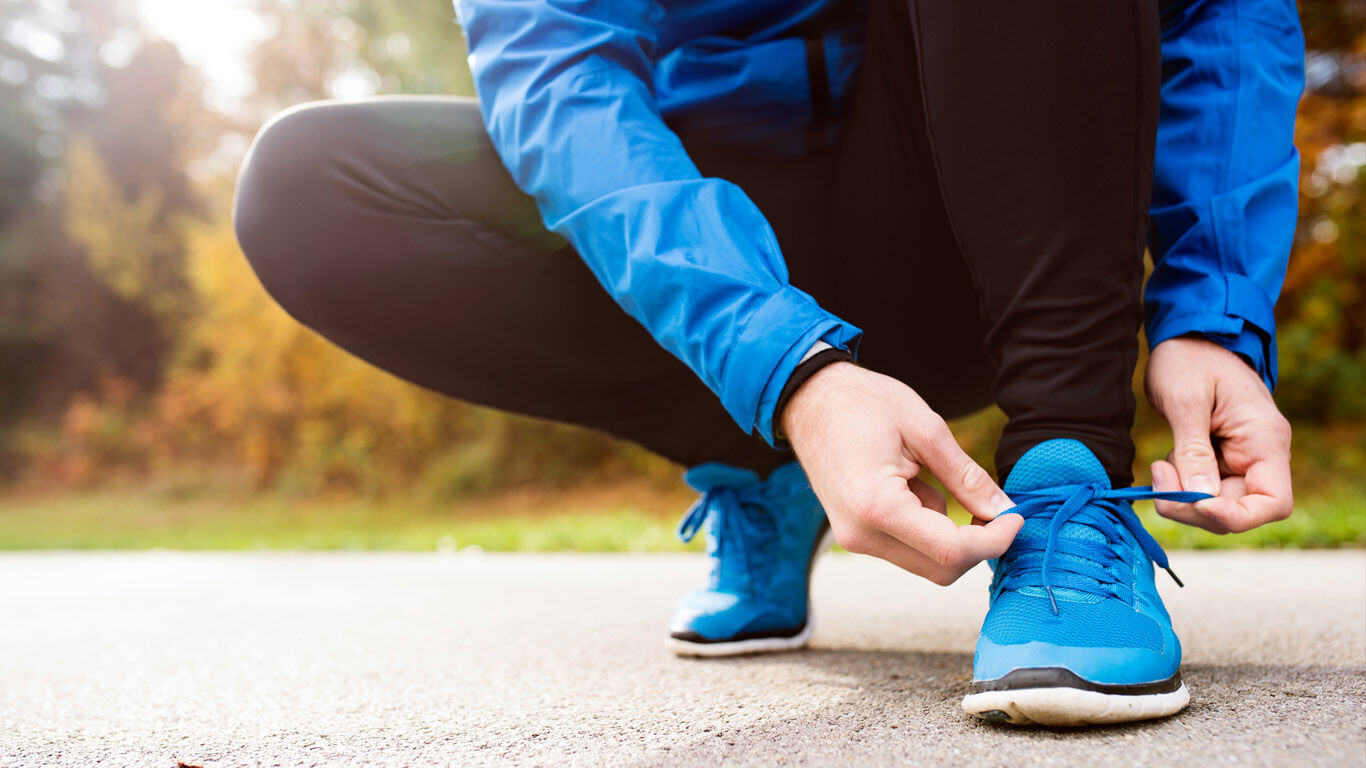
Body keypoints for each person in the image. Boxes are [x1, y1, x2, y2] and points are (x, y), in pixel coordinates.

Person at [233, 0, 1303, 726]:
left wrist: (1210, 312)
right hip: (716, 228)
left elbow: (1221, 12)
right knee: (306, 186)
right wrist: (787, 366)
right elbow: (558, 79)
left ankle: (1066, 473)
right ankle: (759, 460)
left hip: (974, 224)